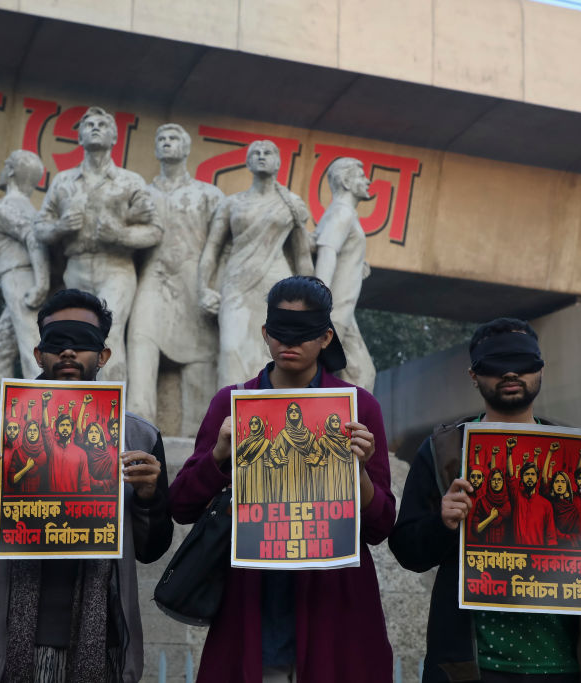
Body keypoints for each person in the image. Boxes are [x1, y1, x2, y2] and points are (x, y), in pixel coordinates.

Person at [170, 275, 395, 682]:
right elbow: (181, 506)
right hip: (251, 608)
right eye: (279, 331)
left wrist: (358, 471)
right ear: (264, 332)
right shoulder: (231, 403)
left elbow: (381, 526)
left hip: (336, 614)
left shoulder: (360, 408)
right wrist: (219, 454)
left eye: (304, 333)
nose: (289, 343)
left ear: (326, 337)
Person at [388, 317, 581, 682]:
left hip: (563, 667)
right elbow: (408, 551)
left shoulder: (578, 456)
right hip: (470, 667)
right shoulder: (443, 452)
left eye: (523, 363)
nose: (510, 374)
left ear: (541, 370)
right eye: (496, 365)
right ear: (474, 375)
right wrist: (443, 523)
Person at [0, 288, 173, 683]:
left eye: (84, 342)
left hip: (101, 640)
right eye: (57, 342)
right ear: (39, 353)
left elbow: (151, 549)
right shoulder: (2, 430)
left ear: (104, 355)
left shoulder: (139, 438)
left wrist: (148, 498)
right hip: (9, 643)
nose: (69, 353)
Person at [34, 107, 162, 381]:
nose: (94, 127)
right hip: (77, 266)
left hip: (115, 266)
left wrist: (120, 235)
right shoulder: (63, 181)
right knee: (73, 338)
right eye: (88, 124)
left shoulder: (130, 181)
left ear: (114, 137)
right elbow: (40, 229)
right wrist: (60, 228)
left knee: (109, 336)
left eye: (102, 124)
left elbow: (154, 230)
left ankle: (111, 412)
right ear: (79, 137)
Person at [128, 123, 224, 435]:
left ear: (186, 148)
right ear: (155, 149)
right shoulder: (141, 194)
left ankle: (198, 436)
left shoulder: (208, 194)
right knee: (140, 340)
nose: (167, 143)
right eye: (162, 139)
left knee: (202, 356)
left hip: (194, 282)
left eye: (173, 138)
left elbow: (223, 247)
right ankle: (137, 432)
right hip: (153, 279)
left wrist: (215, 289)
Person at [198, 141, 315, 388]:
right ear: (248, 162)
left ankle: (271, 414)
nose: (262, 157)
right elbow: (212, 249)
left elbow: (302, 254)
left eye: (268, 153)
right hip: (237, 283)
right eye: (256, 153)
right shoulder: (232, 203)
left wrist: (313, 299)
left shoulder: (291, 203)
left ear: (278, 162)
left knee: (274, 350)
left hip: (277, 283)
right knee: (231, 350)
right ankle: (230, 417)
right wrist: (203, 288)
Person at [0, 149, 50, 424]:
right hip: (20, 282)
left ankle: (46, 428)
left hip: (20, 281)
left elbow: (34, 239)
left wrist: (41, 285)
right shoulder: (31, 209)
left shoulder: (5, 207)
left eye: (5, 164)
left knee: (33, 356)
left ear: (10, 171)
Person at [313, 156, 377, 390]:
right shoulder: (342, 212)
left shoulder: (343, 213)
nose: (367, 180)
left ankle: (344, 425)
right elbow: (327, 251)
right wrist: (318, 300)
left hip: (344, 313)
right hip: (334, 311)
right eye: (361, 176)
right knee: (328, 375)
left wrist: (357, 263)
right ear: (346, 182)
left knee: (362, 375)